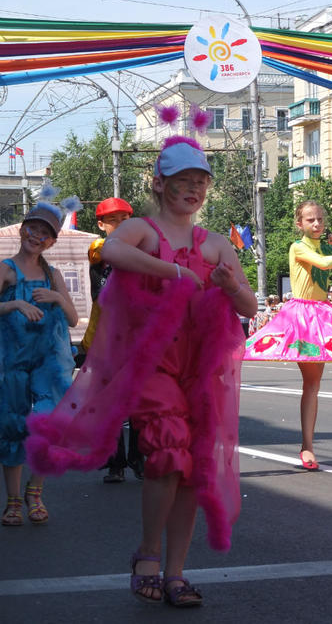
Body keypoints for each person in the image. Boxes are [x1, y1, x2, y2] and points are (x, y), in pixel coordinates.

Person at [27, 137, 257, 606]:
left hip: (199, 368)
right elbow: (111, 251)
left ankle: (176, 573)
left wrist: (230, 283)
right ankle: (148, 555)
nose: (194, 189)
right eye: (183, 181)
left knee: (193, 467)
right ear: (160, 184)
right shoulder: (143, 231)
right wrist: (174, 273)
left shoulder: (215, 244)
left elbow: (249, 306)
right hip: (152, 364)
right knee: (169, 453)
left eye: (201, 182)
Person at [243, 200, 332, 470]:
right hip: (302, 317)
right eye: (310, 220)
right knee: (310, 381)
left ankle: (308, 446)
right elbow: (321, 262)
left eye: (319, 219)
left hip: (323, 315)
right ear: (300, 224)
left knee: (313, 385)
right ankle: (307, 445)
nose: (317, 224)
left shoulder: (329, 246)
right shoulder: (298, 247)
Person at [1, 201, 78, 527]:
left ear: (52, 241)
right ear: (23, 230)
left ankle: (36, 491)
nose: (37, 236)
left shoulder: (53, 274)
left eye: (45, 233)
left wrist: (58, 298)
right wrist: (15, 303)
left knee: (48, 426)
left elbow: (73, 319)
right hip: (13, 360)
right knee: (13, 426)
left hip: (49, 362)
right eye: (33, 228)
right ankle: (14, 501)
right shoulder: (5, 270)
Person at [84, 197, 145, 484]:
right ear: (100, 224)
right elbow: (99, 295)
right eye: (113, 221)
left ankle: (138, 457)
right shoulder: (99, 254)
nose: (119, 225)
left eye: (125, 220)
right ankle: (115, 462)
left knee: (140, 402)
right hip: (108, 339)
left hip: (138, 338)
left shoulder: (142, 253)